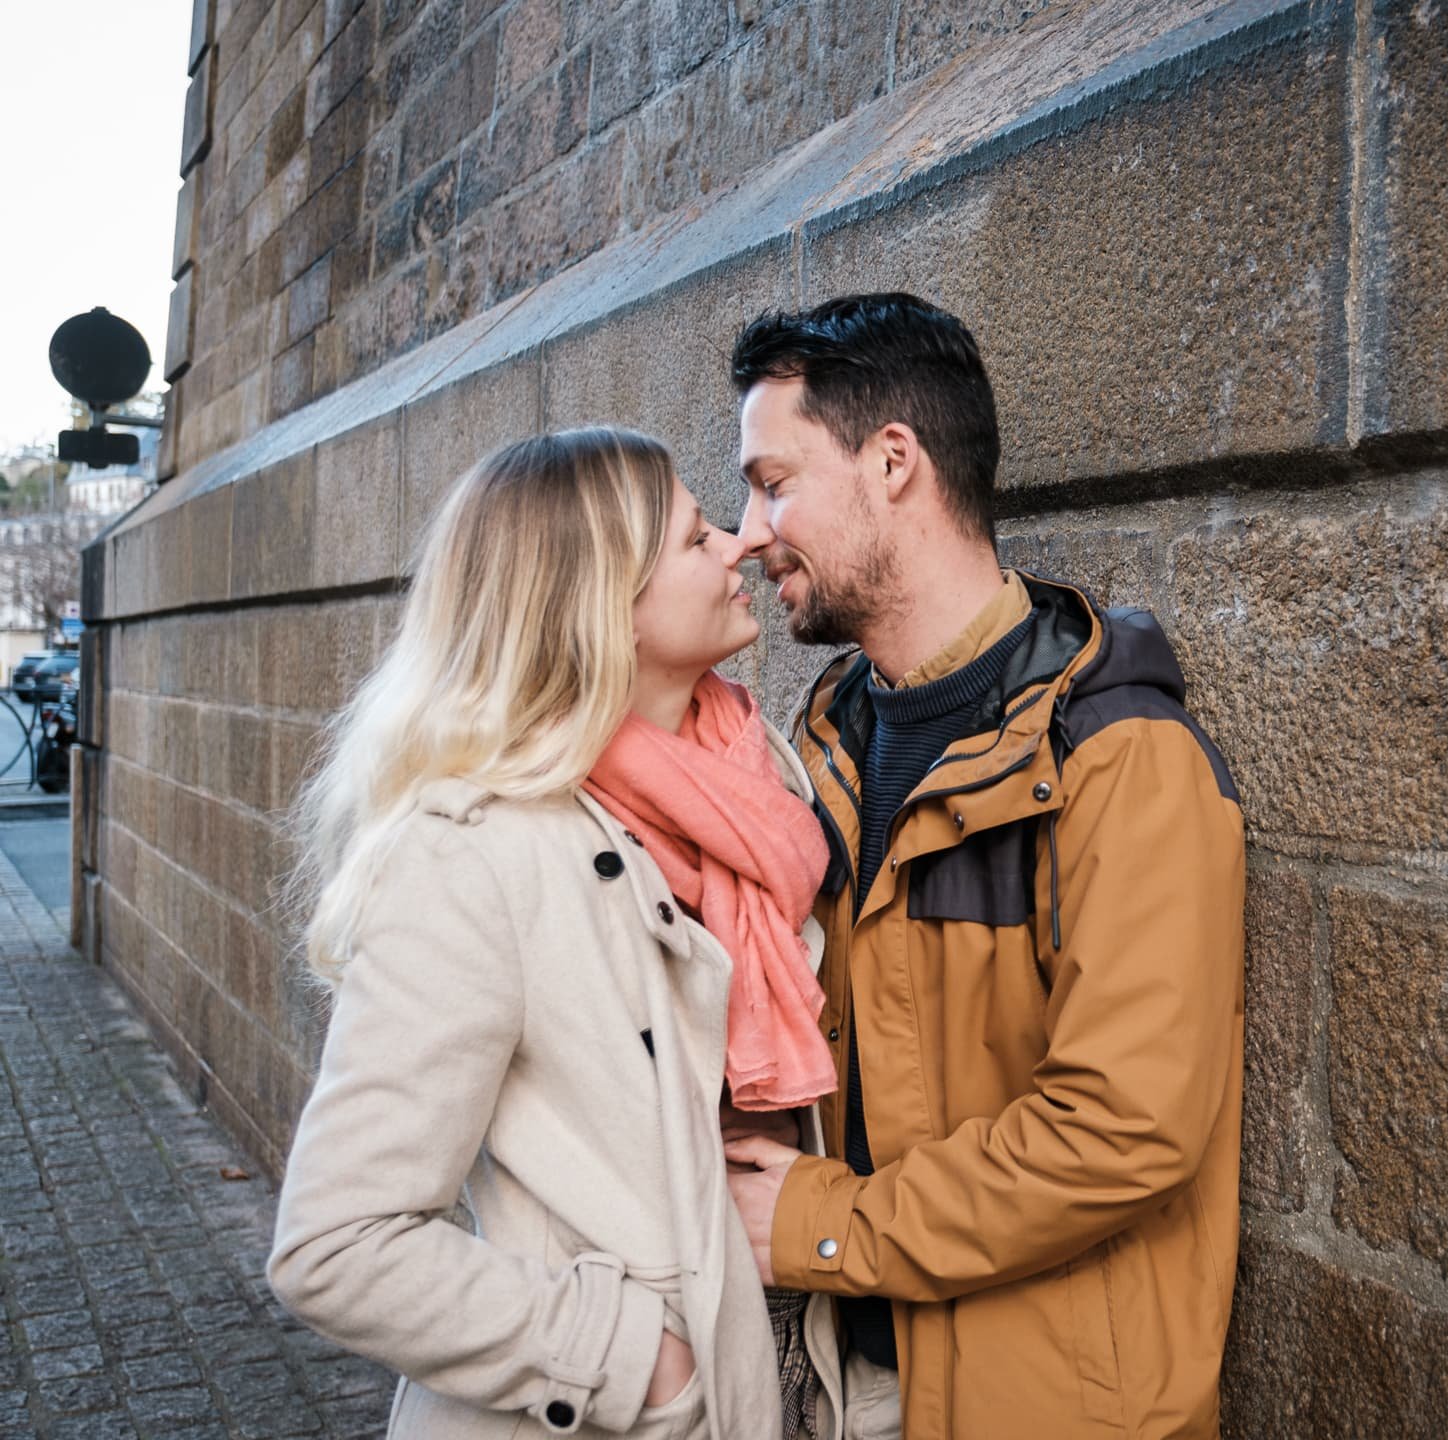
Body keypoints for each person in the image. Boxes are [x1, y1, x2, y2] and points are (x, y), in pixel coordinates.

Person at [719, 294, 1247, 1439]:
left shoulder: (1118, 760)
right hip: (843, 1375)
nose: (750, 533)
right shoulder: (824, 742)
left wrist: (819, 1225)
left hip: (1042, 1404)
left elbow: (1124, 1127)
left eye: (774, 483)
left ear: (894, 462)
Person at [268, 428, 842, 1438]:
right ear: (603, 601)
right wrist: (635, 1364)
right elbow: (337, 1243)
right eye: (692, 535)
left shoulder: (755, 794)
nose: (735, 546)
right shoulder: (471, 857)